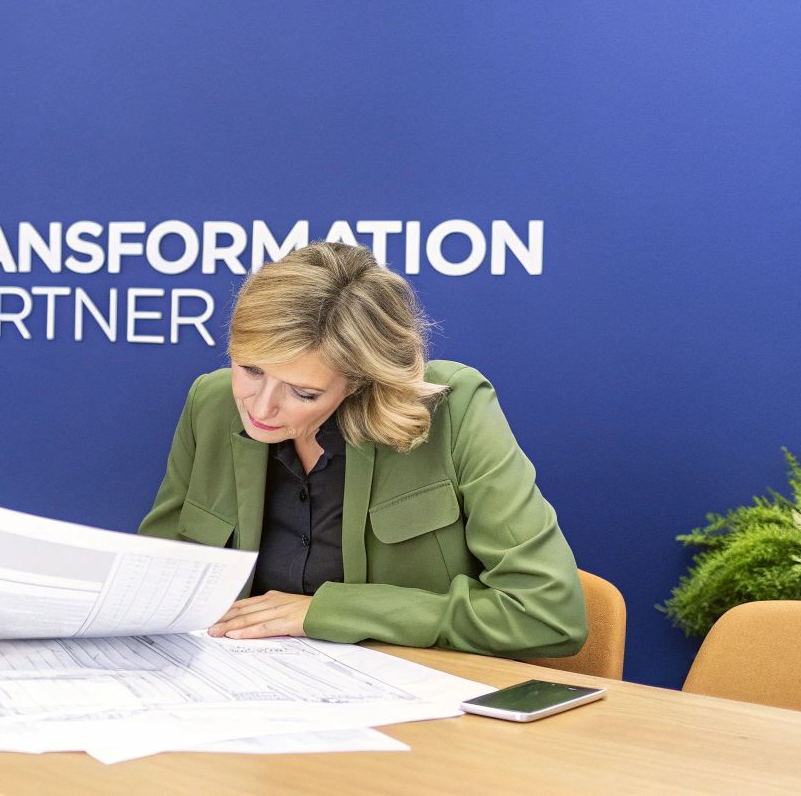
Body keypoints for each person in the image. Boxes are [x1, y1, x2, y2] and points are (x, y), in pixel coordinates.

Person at [137, 242, 586, 657]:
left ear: (358, 380)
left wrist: (330, 611)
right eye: (251, 369)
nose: (261, 406)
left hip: (419, 713)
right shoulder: (211, 403)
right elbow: (150, 581)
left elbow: (546, 614)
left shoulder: (453, 408)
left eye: (303, 393)